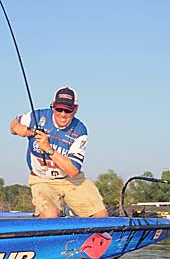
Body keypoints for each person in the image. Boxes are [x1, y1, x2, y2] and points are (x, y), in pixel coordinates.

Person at [10, 87, 108, 218]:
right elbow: (13, 124)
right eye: (59, 109)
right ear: (53, 106)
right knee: (50, 215)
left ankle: (72, 213)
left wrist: (48, 149)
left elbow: (73, 170)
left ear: (75, 109)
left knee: (100, 216)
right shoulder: (37, 116)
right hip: (42, 179)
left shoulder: (80, 130)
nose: (62, 114)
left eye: (68, 110)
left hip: (70, 179)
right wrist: (18, 128)